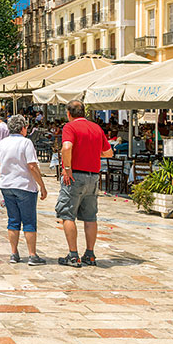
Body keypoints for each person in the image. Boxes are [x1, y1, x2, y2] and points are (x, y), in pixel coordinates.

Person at [56, 100, 113, 268]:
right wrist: (92, 153)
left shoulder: (70, 127)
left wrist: (67, 168)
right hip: (93, 177)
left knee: (67, 214)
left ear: (69, 114)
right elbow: (109, 152)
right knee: (90, 217)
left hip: (75, 176)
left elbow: (66, 147)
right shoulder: (96, 128)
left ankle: (73, 255)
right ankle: (90, 254)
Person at [0, 114, 47, 265]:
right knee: (29, 221)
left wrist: (2, 179)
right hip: (24, 186)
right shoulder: (26, 143)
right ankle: (32, 254)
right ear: (23, 128)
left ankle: (14, 253)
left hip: (7, 186)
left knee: (13, 220)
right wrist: (42, 185)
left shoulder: (2, 143)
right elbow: (32, 166)